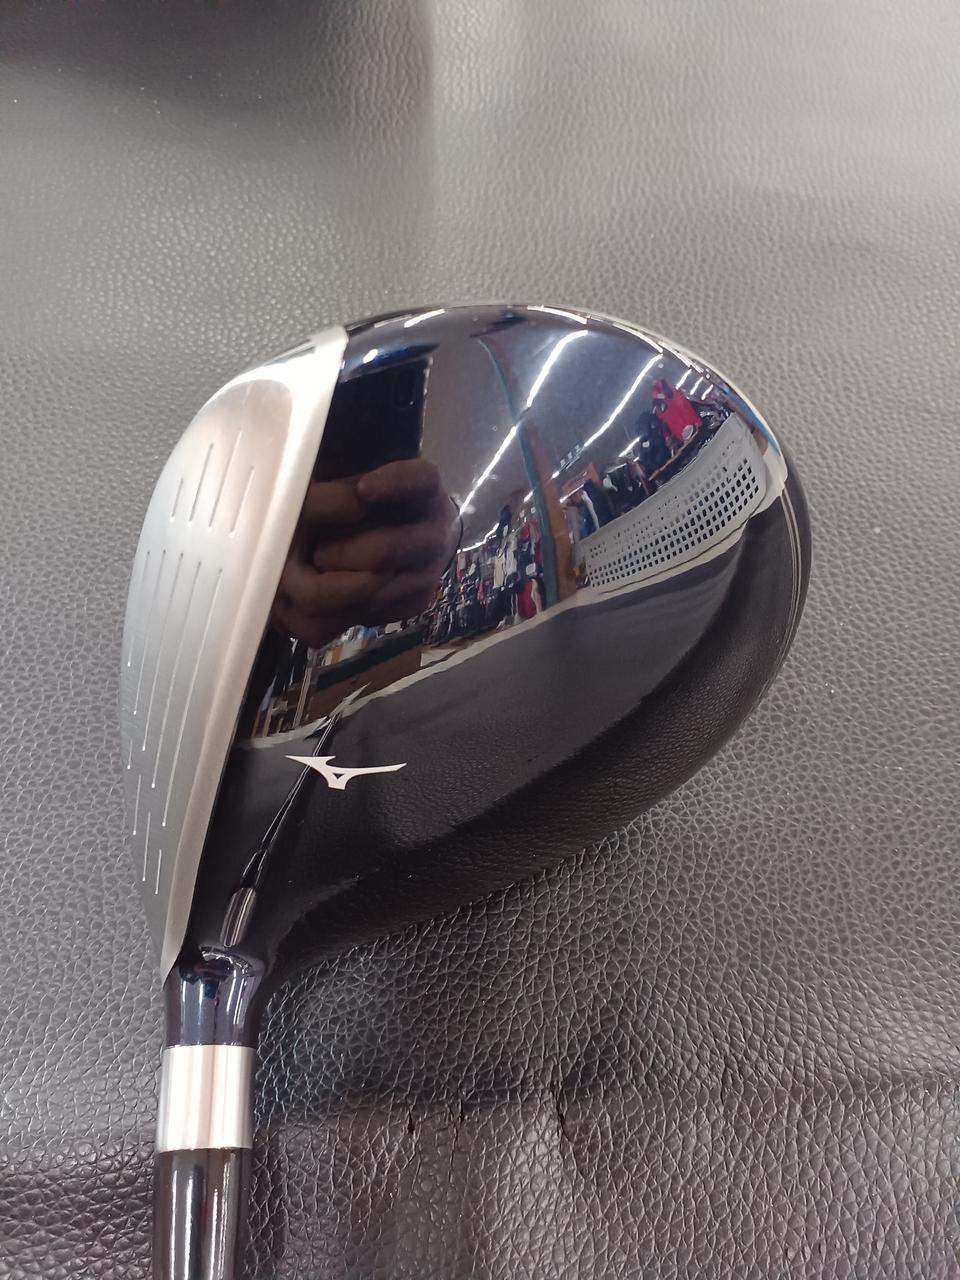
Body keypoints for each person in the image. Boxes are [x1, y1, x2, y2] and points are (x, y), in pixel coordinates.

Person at [651, 378, 700, 445]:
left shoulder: (658, 404)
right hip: (694, 430)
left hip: (686, 437)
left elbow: (663, 422)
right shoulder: (671, 388)